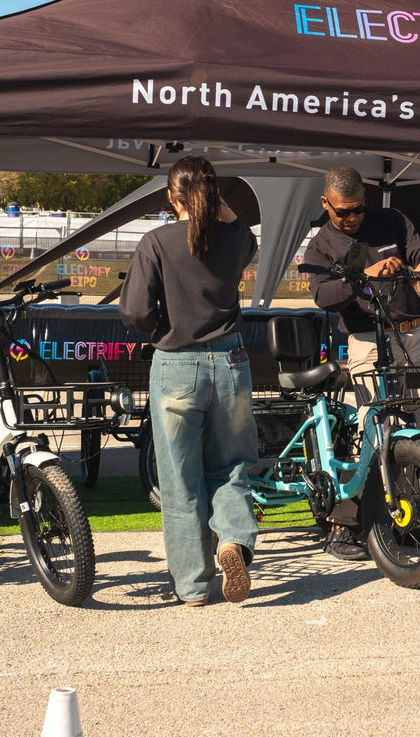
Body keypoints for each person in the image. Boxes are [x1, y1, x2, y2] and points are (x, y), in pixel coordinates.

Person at [119, 156, 259, 606]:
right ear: (214, 193)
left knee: (180, 479)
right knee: (232, 464)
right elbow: (247, 236)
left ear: (169, 197)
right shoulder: (234, 237)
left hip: (177, 364)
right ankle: (233, 540)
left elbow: (137, 315)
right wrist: (216, 201)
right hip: (231, 362)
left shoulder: (156, 241)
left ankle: (194, 588)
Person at [303, 165, 420, 560]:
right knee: (371, 429)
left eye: (358, 209)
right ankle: (344, 526)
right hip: (366, 338)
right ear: (325, 204)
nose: (351, 218)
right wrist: (364, 275)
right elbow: (322, 295)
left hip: (413, 334)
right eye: (342, 212)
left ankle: (414, 517)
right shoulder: (322, 245)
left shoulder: (391, 219)